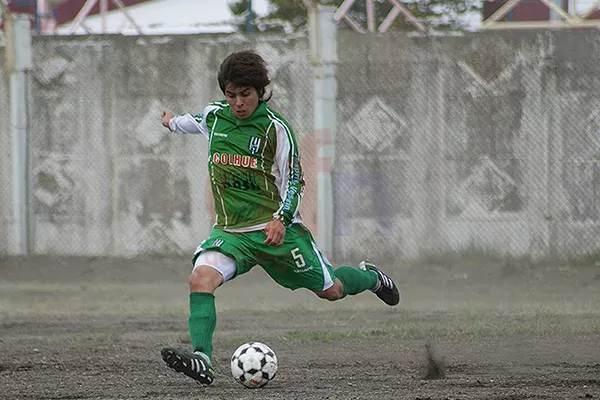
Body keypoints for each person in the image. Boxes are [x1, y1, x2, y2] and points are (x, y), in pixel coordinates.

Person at [159, 49, 400, 386]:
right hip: (232, 233)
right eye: (231, 95)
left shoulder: (275, 128)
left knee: (331, 289)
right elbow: (188, 121)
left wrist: (281, 219)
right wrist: (169, 121)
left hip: (277, 232)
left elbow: (294, 180)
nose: (238, 103)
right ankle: (202, 358)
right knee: (200, 279)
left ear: (260, 91)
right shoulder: (216, 117)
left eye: (246, 95)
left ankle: (371, 278)